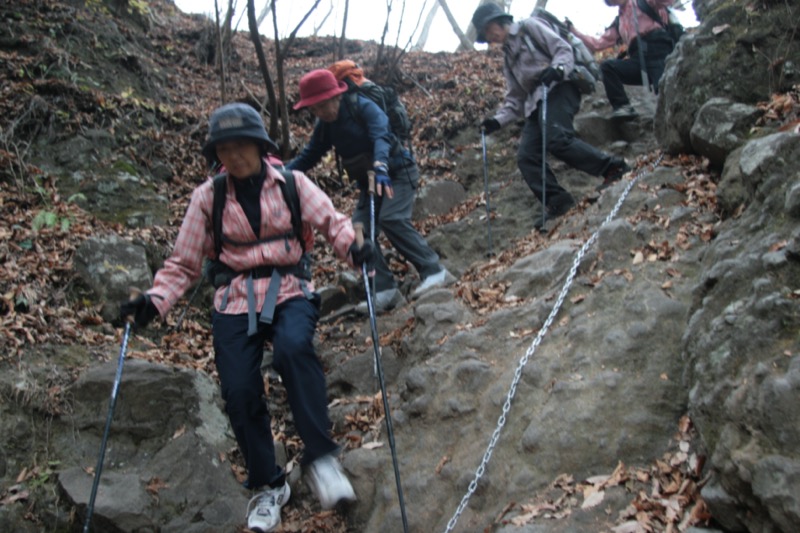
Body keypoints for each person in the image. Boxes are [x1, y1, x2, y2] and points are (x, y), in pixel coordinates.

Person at [119, 102, 375, 533]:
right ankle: (268, 485)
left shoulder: (294, 183)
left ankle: (322, 458)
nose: (235, 156)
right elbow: (184, 264)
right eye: (225, 149)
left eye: (243, 146)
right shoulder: (208, 197)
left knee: (294, 350)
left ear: (260, 146)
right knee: (239, 389)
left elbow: (332, 223)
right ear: (216, 155)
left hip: (289, 288)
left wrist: (355, 249)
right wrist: (153, 302)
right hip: (234, 297)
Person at [286, 68, 454, 313]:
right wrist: (280, 174)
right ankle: (385, 290)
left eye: (320, 105)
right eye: (313, 109)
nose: (318, 112)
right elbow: (309, 156)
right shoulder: (325, 125)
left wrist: (381, 164)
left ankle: (435, 271)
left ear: (335, 96)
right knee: (359, 232)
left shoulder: (361, 106)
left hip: (396, 172)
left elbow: (381, 134)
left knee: (392, 218)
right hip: (368, 184)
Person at [472, 4, 630, 227]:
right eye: (485, 34)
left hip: (561, 87)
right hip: (535, 103)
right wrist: (496, 122)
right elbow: (515, 98)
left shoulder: (530, 27)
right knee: (526, 156)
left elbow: (563, 49)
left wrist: (557, 69)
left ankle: (613, 168)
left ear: (499, 22)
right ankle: (559, 201)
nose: (489, 37)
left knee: (556, 138)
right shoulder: (508, 57)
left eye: (489, 30)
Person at [569, 0, 677, 119]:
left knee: (664, 89)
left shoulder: (643, 2)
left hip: (659, 50)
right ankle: (623, 106)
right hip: (638, 57)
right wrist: (573, 31)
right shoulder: (618, 21)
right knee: (608, 67)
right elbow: (597, 44)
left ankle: (676, 117)